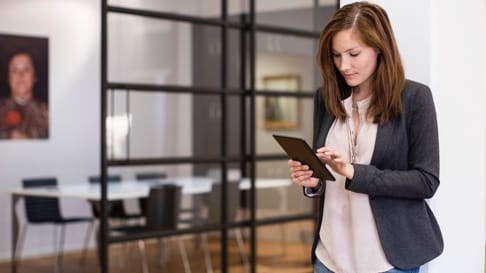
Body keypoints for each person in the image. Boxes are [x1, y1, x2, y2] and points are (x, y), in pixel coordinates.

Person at [288, 2, 443, 273]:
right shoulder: (325, 98)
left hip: (388, 259)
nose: (343, 65)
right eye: (336, 55)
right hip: (330, 256)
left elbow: (426, 181)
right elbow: (325, 177)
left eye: (353, 53)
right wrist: (313, 181)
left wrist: (354, 172)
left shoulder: (415, 98)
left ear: (379, 47)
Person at [0, 51, 48, 139]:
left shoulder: (47, 114)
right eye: (15, 70)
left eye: (26, 69)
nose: (20, 75)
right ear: (9, 78)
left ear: (34, 77)